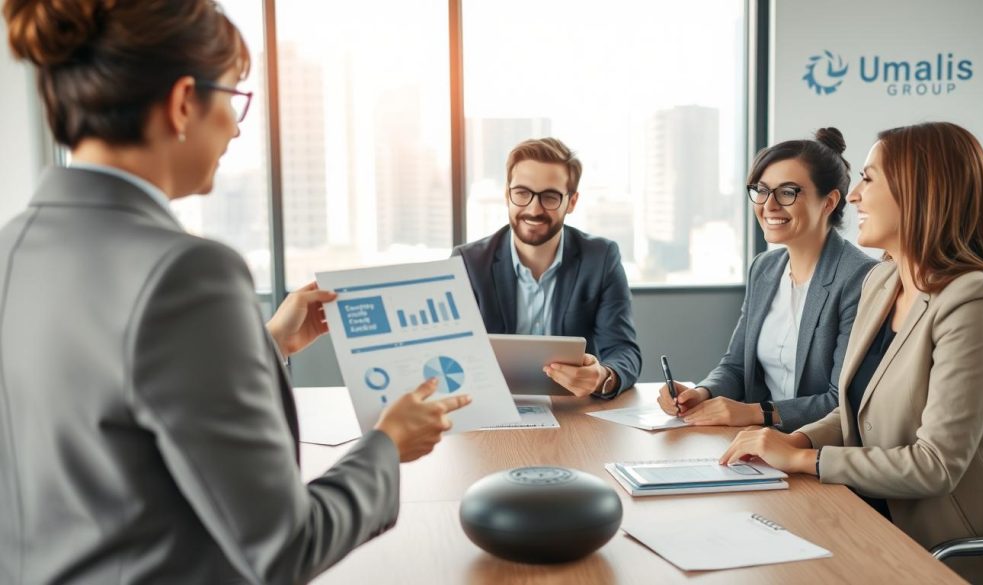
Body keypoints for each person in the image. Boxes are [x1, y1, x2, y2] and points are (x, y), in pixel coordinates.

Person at [0, 2, 469, 584]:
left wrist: (264, 344)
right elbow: (285, 547)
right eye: (232, 98)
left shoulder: (13, 247)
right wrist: (387, 445)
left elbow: (111, 405)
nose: (236, 127)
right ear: (182, 103)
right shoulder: (186, 272)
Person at [720, 122, 983, 584]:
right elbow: (852, 411)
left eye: (868, 178)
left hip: (945, 549)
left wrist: (804, 460)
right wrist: (796, 441)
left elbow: (935, 466)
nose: (854, 195)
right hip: (864, 515)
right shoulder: (883, 280)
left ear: (920, 190)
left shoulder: (974, 299)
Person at [657, 129, 875, 431]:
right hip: (756, 439)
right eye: (761, 190)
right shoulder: (764, 268)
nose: (768, 205)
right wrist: (702, 393)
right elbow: (736, 365)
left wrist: (755, 413)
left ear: (829, 202)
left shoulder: (859, 277)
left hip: (814, 445)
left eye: (787, 192)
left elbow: (841, 401)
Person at [453, 138, 641, 399]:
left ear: (571, 202)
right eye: (522, 193)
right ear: (507, 195)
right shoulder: (467, 262)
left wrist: (602, 377)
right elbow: (452, 352)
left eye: (550, 197)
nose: (534, 209)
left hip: (573, 407)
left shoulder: (601, 258)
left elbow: (623, 351)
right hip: (491, 404)